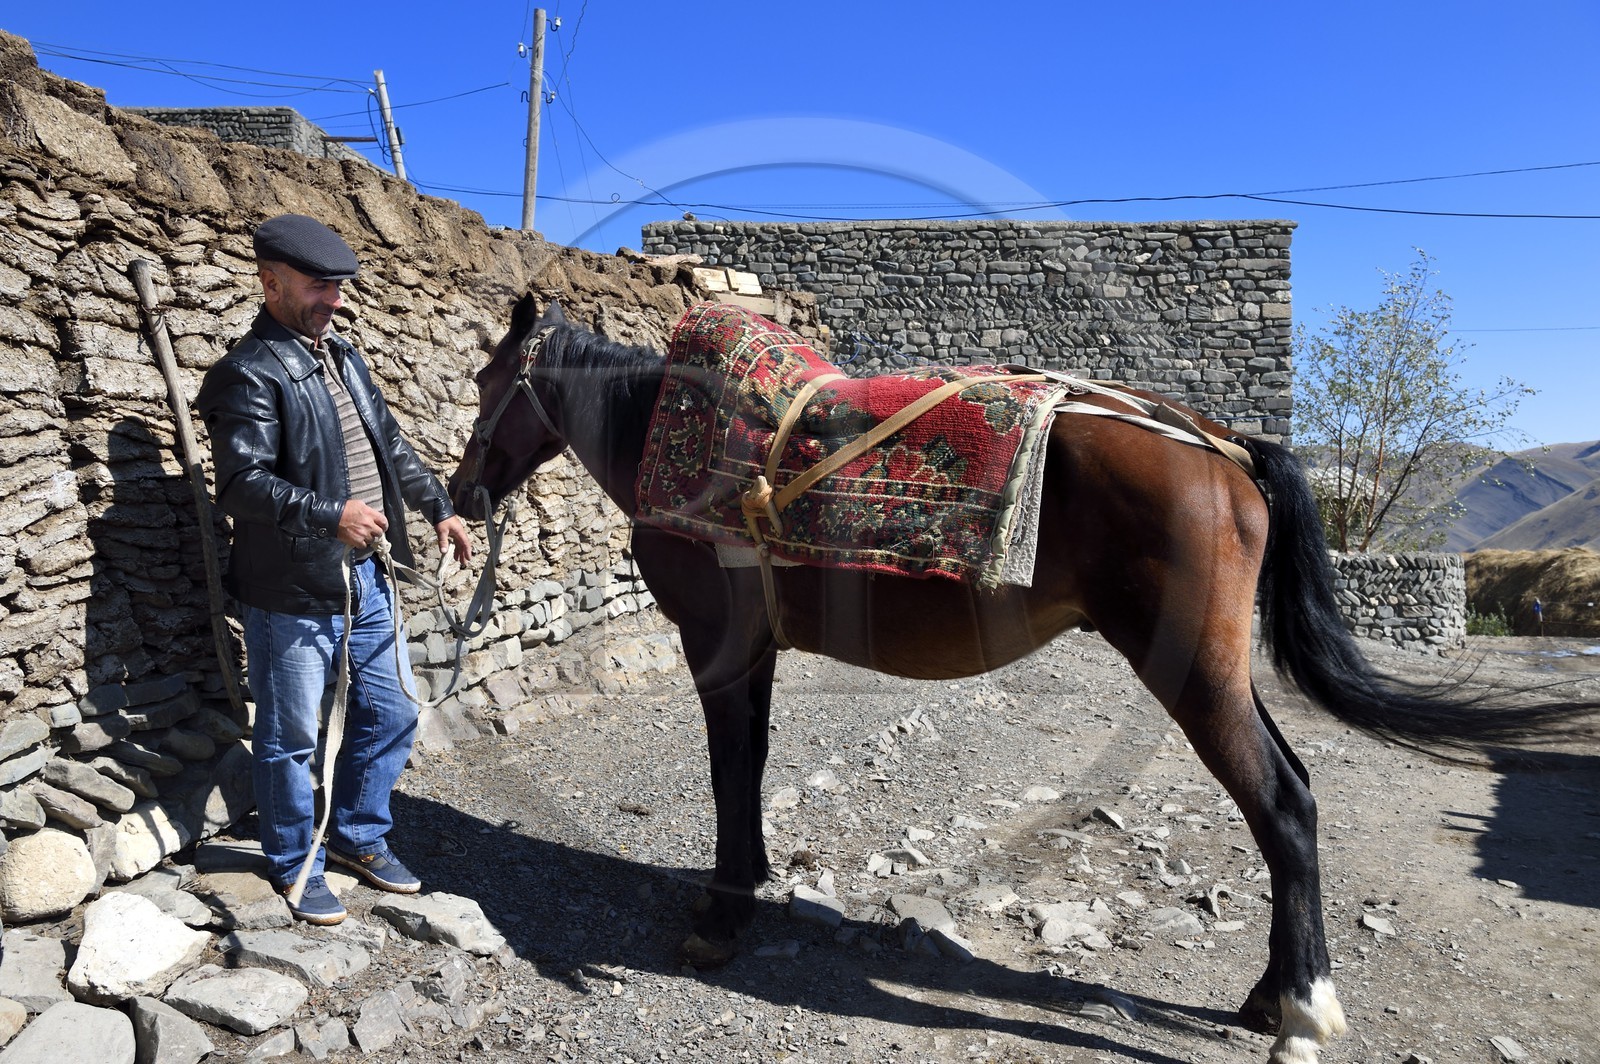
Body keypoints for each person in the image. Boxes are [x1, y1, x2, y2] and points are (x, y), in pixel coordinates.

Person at [197, 214, 472, 925]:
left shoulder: (344, 358)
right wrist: (329, 515)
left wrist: (440, 507)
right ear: (271, 282)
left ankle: (356, 836)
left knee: (396, 712)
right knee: (291, 739)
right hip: (291, 592)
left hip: (369, 579)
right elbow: (240, 484)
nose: (336, 300)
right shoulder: (246, 374)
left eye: (341, 286)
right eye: (321, 285)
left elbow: (392, 443)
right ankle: (296, 863)